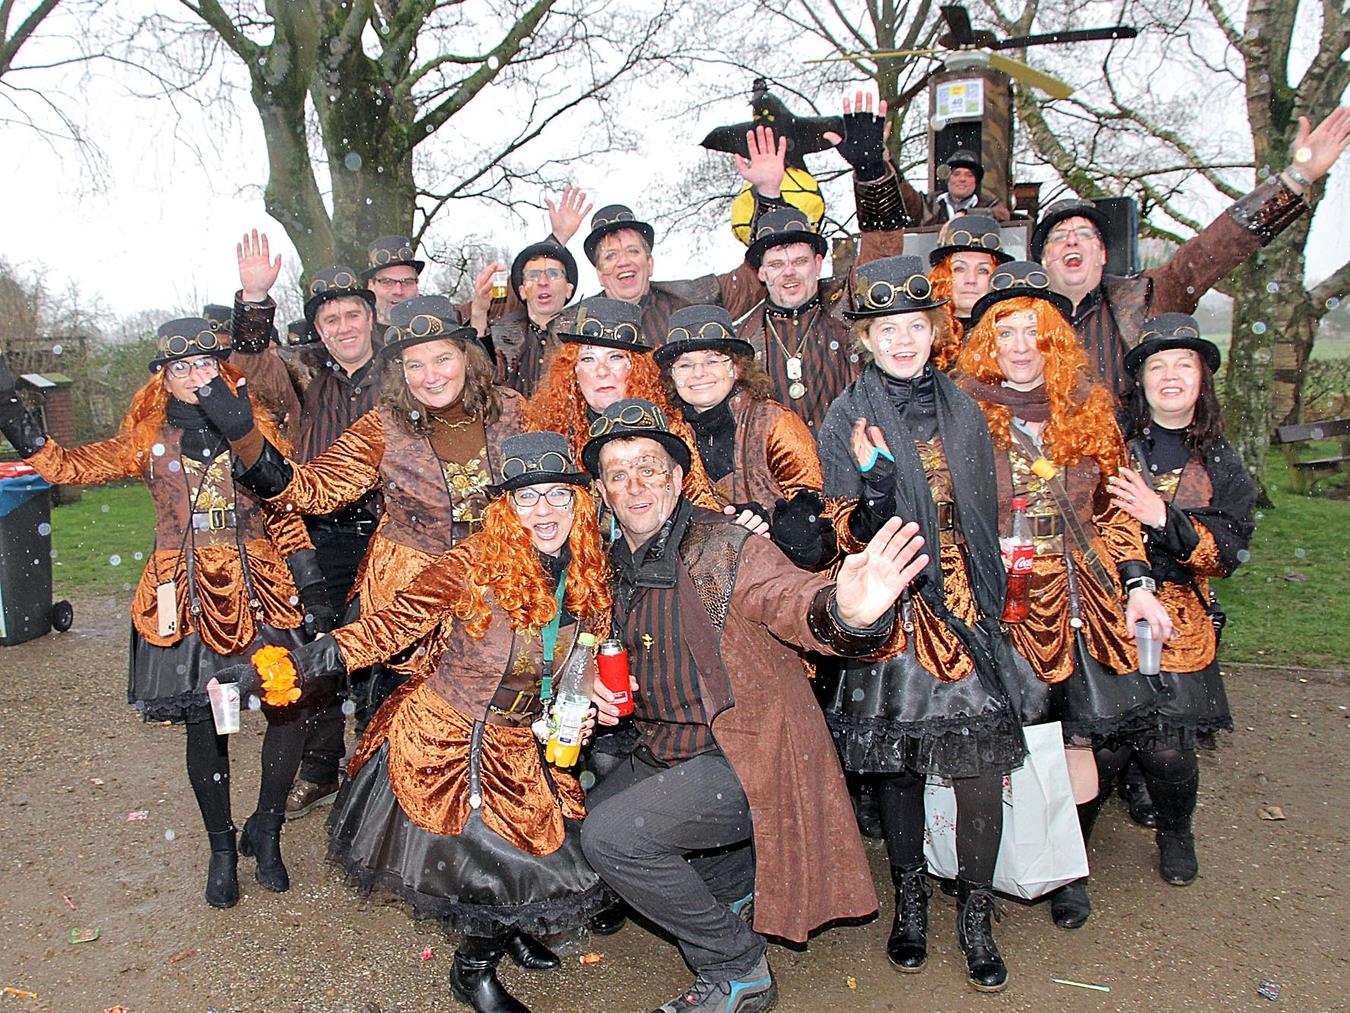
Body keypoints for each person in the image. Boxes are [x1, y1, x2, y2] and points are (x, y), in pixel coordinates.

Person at [211, 432, 613, 1013]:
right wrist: (282, 668)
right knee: (495, 864)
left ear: (580, 503)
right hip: (452, 745)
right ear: (503, 507)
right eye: (527, 498)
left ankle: (510, 932)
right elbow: (385, 628)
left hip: (533, 738)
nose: (544, 512)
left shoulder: (589, 570)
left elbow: (590, 650)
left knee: (539, 853)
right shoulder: (468, 564)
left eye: (557, 496)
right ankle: (472, 971)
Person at [579, 398, 929, 1013]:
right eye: (618, 473)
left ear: (680, 478)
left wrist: (845, 611)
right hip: (666, 748)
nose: (635, 486)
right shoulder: (614, 563)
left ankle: (737, 968)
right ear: (602, 490)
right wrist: (586, 679)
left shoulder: (726, 548)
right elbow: (583, 641)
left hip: (745, 758)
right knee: (580, 826)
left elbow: (790, 599)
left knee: (614, 838)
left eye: (650, 468)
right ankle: (734, 887)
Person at [0, 324, 332, 908]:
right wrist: (6, 401)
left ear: (223, 369)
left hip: (262, 591)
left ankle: (268, 829)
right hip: (180, 595)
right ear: (163, 377)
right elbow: (62, 466)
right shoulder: (147, 437)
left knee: (286, 712)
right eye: (181, 368)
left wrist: (312, 584)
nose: (195, 376)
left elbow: (283, 509)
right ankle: (222, 847)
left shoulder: (254, 428)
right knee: (204, 722)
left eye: (206, 363)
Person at [816, 255, 1024, 992]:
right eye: (885, 329)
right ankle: (910, 897)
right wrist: (874, 480)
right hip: (895, 599)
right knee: (900, 763)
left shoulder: (965, 407)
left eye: (915, 325)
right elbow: (845, 536)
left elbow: (987, 508)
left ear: (934, 330)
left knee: (977, 765)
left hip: (966, 598)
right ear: (865, 338)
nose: (902, 340)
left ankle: (975, 909)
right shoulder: (846, 415)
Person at [954, 262, 1174, 930]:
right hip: (997, 599)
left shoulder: (1090, 410)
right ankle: (987, 864)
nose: (1020, 345)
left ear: (1055, 339)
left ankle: (1068, 865)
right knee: (995, 741)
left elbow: (1116, 512)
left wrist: (1138, 582)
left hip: (1077, 600)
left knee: (1072, 738)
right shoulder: (960, 407)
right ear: (988, 340)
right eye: (1006, 331)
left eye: (1034, 331)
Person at [197, 295, 524, 727]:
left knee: (496, 718)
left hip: (495, 588)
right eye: (415, 364)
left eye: (442, 358)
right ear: (400, 372)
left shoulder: (514, 411)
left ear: (466, 356)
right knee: (399, 724)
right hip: (406, 602)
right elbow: (313, 490)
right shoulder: (384, 425)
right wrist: (246, 439)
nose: (431, 376)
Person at [1030, 106, 1350, 396]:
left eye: (1084, 233)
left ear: (1101, 254)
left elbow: (1218, 246)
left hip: (1133, 457)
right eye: (1059, 236)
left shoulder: (1149, 295)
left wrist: (1297, 178)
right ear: (1045, 258)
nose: (1071, 240)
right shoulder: (1019, 315)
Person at [227, 241, 387, 818]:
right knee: (316, 643)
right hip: (317, 527)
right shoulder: (300, 377)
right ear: (317, 327)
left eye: (352, 315)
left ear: (371, 317)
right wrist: (254, 299)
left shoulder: (400, 376)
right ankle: (320, 767)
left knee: (382, 645)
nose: (343, 327)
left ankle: (377, 769)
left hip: (388, 528)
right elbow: (249, 372)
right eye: (330, 318)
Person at [1100, 314, 1256, 886]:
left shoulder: (1223, 461)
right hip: (1110, 606)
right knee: (1105, 749)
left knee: (1168, 751)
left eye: (1182, 365)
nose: (1170, 376)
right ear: (1140, 381)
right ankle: (1072, 854)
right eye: (1156, 365)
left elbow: (1228, 552)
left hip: (1184, 617)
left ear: (1201, 379)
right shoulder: (1114, 446)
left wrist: (1163, 517)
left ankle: (1175, 829)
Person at [735, 94, 908, 432]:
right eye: (776, 263)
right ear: (761, 272)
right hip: (776, 481)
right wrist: (767, 192)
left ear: (818, 262)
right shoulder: (744, 338)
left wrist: (872, 172)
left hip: (853, 470)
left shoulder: (846, 310)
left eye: (799, 260)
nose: (789, 272)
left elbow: (884, 248)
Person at [655, 304, 835, 569]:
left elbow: (819, 514)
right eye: (685, 365)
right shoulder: (669, 435)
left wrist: (776, 529)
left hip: (787, 580)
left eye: (712, 360)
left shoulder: (775, 423)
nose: (698, 373)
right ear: (672, 377)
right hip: (708, 581)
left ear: (737, 368)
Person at [522, 297, 722, 512]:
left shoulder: (668, 429)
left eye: (615, 357)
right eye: (588, 359)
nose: (602, 371)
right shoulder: (552, 434)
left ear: (635, 369)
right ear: (573, 373)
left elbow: (700, 506)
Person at [487, 239, 579, 397]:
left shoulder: (583, 337)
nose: (543, 282)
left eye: (553, 274)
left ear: (568, 289)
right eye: (533, 275)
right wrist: (478, 312)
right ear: (522, 291)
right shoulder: (499, 338)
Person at [926, 214, 1012, 349]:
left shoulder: (1013, 339)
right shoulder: (924, 335)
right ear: (943, 275)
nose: (971, 280)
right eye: (959, 268)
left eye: (983, 270)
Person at [899, 149, 1012, 226]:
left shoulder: (990, 204)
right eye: (956, 174)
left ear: (975, 181)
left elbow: (1003, 214)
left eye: (969, 175)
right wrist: (886, 159)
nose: (962, 179)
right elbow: (905, 194)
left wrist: (966, 214)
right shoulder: (927, 204)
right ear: (948, 178)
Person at [362, 235, 424, 331]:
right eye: (387, 282)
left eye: (407, 282)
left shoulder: (440, 331)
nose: (398, 291)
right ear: (371, 286)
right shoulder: (356, 336)